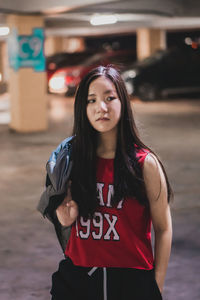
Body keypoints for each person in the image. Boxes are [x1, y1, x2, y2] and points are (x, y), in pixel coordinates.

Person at [38, 65, 173, 300]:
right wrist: (65, 221)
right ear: (83, 108)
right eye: (91, 100)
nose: (101, 107)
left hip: (131, 281)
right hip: (78, 279)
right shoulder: (70, 159)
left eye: (110, 98)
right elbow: (62, 220)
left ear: (123, 102)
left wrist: (156, 285)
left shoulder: (144, 163)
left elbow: (163, 228)